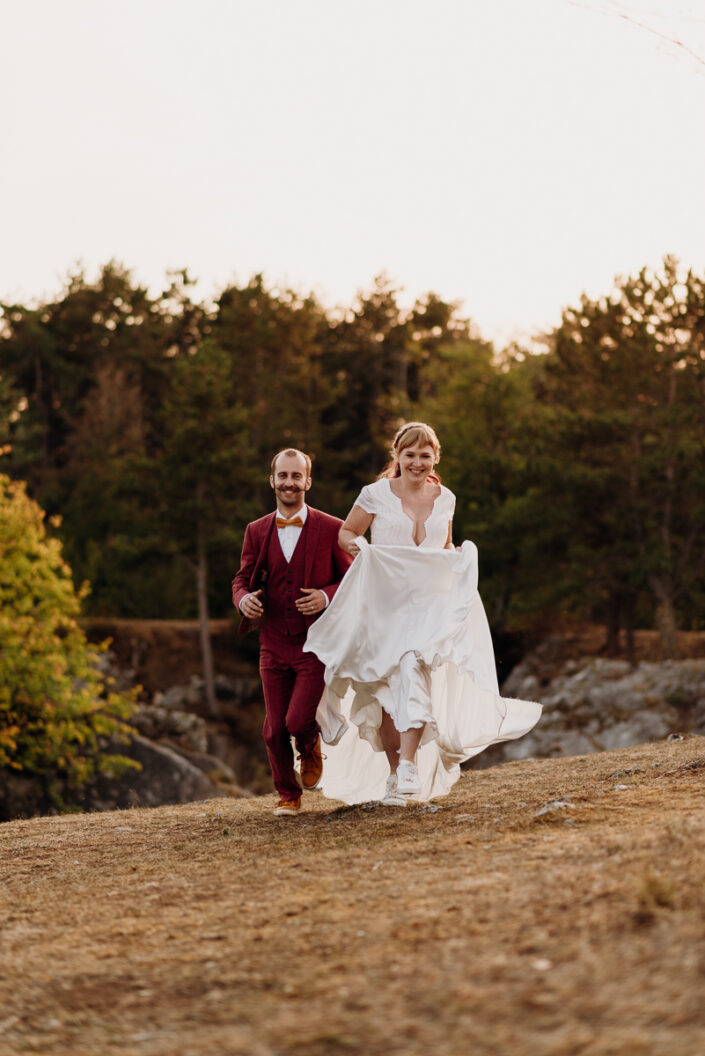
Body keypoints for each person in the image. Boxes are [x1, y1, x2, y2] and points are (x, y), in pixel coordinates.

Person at [304, 422, 541, 805]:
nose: (417, 462)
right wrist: (362, 549)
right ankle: (395, 776)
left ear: (435, 457)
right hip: (383, 606)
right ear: (398, 457)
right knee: (383, 691)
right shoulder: (375, 495)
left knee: (413, 667)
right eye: (409, 455)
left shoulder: (445, 497)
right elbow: (345, 534)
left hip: (428, 609)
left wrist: (457, 554)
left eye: (424, 455)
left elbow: (442, 545)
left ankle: (410, 764)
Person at [232, 449, 352, 817]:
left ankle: (310, 741)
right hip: (272, 642)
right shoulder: (256, 531)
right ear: (272, 481)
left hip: (315, 643)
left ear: (308, 482)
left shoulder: (333, 528)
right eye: (282, 476)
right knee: (272, 730)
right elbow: (241, 579)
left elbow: (353, 580)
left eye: (296, 476)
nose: (289, 483)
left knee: (297, 721)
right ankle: (288, 794)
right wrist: (243, 601)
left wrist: (325, 596)